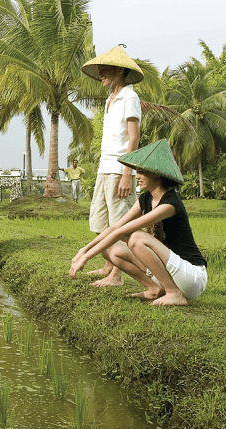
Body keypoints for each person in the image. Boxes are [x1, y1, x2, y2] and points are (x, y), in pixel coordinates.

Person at [69, 140, 207, 306]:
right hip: (169, 270)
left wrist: (86, 258)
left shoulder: (170, 203)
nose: (137, 176)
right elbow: (115, 227)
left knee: (136, 237)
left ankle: (174, 293)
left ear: (156, 173)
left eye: (141, 171)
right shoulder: (146, 198)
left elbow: (122, 232)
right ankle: (155, 288)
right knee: (114, 251)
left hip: (190, 276)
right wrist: (83, 250)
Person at [81, 45, 143, 287]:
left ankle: (117, 276)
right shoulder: (110, 99)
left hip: (119, 169)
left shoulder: (130, 97)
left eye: (104, 70)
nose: (100, 75)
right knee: (99, 222)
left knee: (119, 224)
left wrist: (128, 173)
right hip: (104, 168)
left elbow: (134, 138)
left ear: (118, 70)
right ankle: (109, 266)